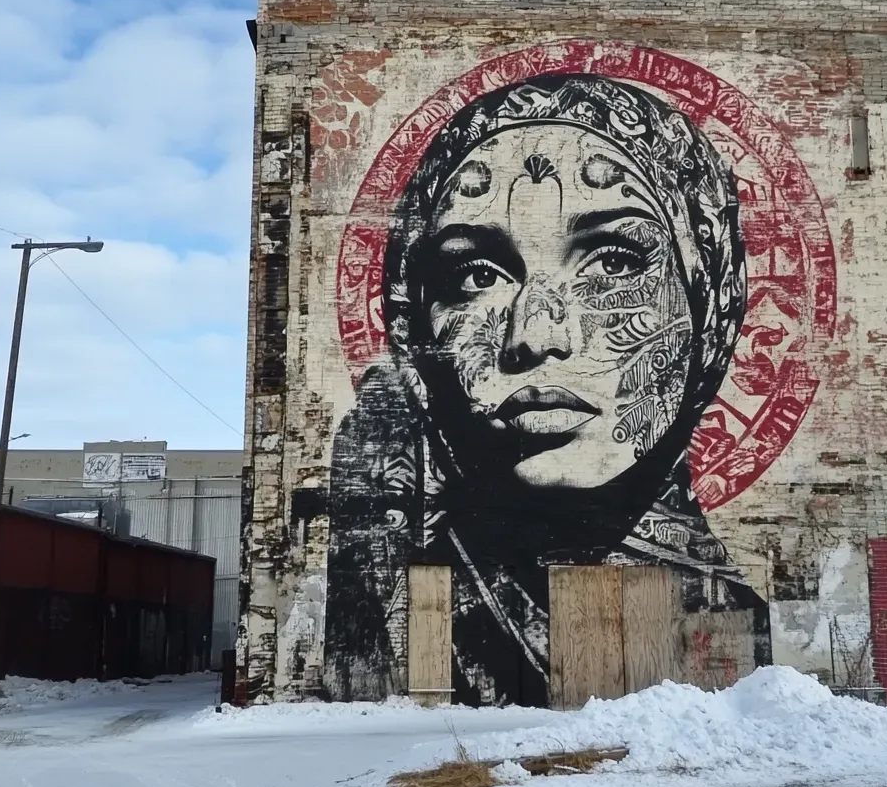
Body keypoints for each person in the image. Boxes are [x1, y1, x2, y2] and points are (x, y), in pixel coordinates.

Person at [324, 73, 770, 706]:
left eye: (613, 262)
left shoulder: (745, 633)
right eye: (477, 275)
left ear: (710, 300)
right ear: (412, 321)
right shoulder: (389, 618)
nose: (536, 335)